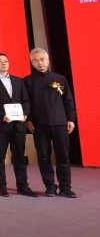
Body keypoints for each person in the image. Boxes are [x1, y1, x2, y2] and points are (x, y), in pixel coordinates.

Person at [0, 53, 37, 197]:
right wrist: (1, 115)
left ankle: (23, 186)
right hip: (0, 124)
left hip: (18, 125)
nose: (3, 63)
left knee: (20, 157)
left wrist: (25, 114)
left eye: (6, 61)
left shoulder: (18, 80)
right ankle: (1, 186)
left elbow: (26, 100)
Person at [24, 48, 77, 198]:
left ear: (47, 60)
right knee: (43, 157)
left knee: (63, 156)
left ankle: (65, 187)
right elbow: (25, 103)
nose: (39, 62)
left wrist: (71, 119)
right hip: (39, 125)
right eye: (36, 60)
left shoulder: (59, 79)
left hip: (60, 123)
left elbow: (68, 100)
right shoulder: (27, 81)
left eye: (42, 59)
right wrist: (28, 119)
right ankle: (50, 186)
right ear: (32, 62)